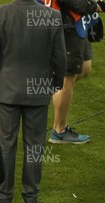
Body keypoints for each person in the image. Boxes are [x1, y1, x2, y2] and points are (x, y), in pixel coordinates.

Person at [0, 0, 66, 203]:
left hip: (8, 90)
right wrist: (57, 81)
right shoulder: (52, 16)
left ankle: (3, 197)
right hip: (39, 90)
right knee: (35, 145)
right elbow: (60, 56)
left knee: (6, 145)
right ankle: (31, 197)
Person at [41, 0, 103, 144]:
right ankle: (59, 131)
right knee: (68, 76)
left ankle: (54, 86)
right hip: (67, 23)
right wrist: (95, 6)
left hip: (77, 21)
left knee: (84, 67)